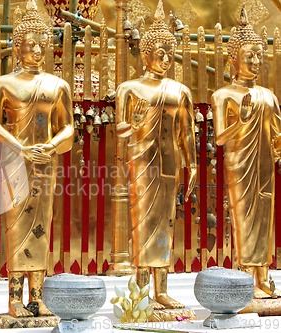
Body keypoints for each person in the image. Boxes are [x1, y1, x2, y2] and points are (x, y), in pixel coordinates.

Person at [0, 0, 74, 318]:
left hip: (44, 164)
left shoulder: (57, 85)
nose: (36, 50)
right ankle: (14, 299)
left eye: (41, 44)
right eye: (29, 44)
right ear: (17, 46)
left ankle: (37, 296)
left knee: (41, 227)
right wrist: (21, 148)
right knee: (16, 227)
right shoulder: (3, 84)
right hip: (14, 161)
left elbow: (68, 128)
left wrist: (50, 146)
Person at [114, 0, 197, 309]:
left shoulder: (179, 91)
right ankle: (140, 290)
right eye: (159, 52)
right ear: (145, 54)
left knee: (165, 223)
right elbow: (120, 131)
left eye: (169, 53)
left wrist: (192, 166)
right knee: (142, 223)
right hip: (141, 164)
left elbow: (186, 133)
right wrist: (132, 125)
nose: (165, 58)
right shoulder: (129, 88)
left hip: (169, 163)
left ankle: (162, 289)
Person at [211, 6, 281, 298]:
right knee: (242, 218)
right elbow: (219, 138)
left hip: (264, 165)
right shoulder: (223, 95)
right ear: (232, 59)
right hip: (239, 165)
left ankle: (263, 276)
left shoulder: (268, 96)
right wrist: (240, 122)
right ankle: (244, 276)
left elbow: (277, 135)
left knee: (265, 220)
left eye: (258, 55)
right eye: (248, 55)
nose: (254, 61)